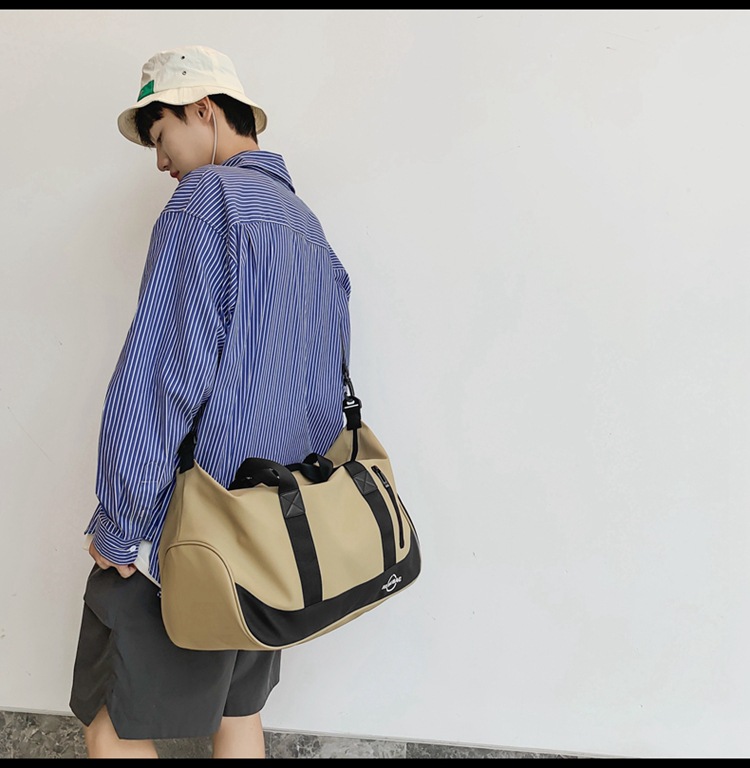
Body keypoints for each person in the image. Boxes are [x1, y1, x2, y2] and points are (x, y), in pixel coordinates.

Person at [68, 44, 352, 759]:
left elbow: (164, 374)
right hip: (271, 530)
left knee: (112, 726)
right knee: (238, 715)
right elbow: (324, 391)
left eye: (160, 134)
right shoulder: (306, 226)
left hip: (186, 531)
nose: (159, 160)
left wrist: (121, 520)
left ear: (202, 109)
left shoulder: (206, 202)